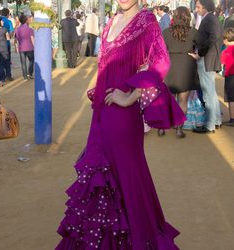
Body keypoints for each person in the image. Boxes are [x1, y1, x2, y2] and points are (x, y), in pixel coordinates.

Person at [55, 0, 186, 249]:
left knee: (128, 175)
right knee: (100, 175)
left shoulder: (147, 21)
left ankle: (139, 239)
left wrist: (129, 97)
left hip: (124, 116)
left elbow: (160, 62)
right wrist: (96, 86)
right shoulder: (110, 22)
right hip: (102, 112)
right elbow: (104, 63)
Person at [162, 6, 200, 138]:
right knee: (183, 100)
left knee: (168, 100)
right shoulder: (193, 32)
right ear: (188, 17)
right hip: (186, 66)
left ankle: (162, 127)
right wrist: (198, 54)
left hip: (170, 66)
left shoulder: (166, 32)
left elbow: (160, 49)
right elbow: (205, 45)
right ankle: (179, 129)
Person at [189, 0, 223, 134]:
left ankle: (210, 124)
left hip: (206, 58)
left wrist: (200, 53)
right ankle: (215, 121)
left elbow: (213, 37)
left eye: (198, 7)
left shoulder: (209, 18)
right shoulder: (211, 18)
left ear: (205, 7)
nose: (196, 9)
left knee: (208, 93)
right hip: (209, 58)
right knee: (211, 92)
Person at [221, 28, 234, 127]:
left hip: (230, 77)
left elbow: (222, 63)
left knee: (231, 98)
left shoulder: (225, 51)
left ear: (226, 40)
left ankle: (232, 119)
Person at [14, 14, 34, 80]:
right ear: (26, 21)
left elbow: (16, 40)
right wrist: (35, 46)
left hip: (21, 48)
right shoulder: (30, 29)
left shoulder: (17, 29)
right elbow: (32, 39)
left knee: (23, 63)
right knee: (31, 60)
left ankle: (25, 77)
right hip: (29, 47)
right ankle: (30, 73)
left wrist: (16, 47)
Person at [0, 8, 14, 81]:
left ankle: (2, 78)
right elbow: (11, 32)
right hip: (6, 44)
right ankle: (9, 75)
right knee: (7, 60)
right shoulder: (9, 22)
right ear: (8, 14)